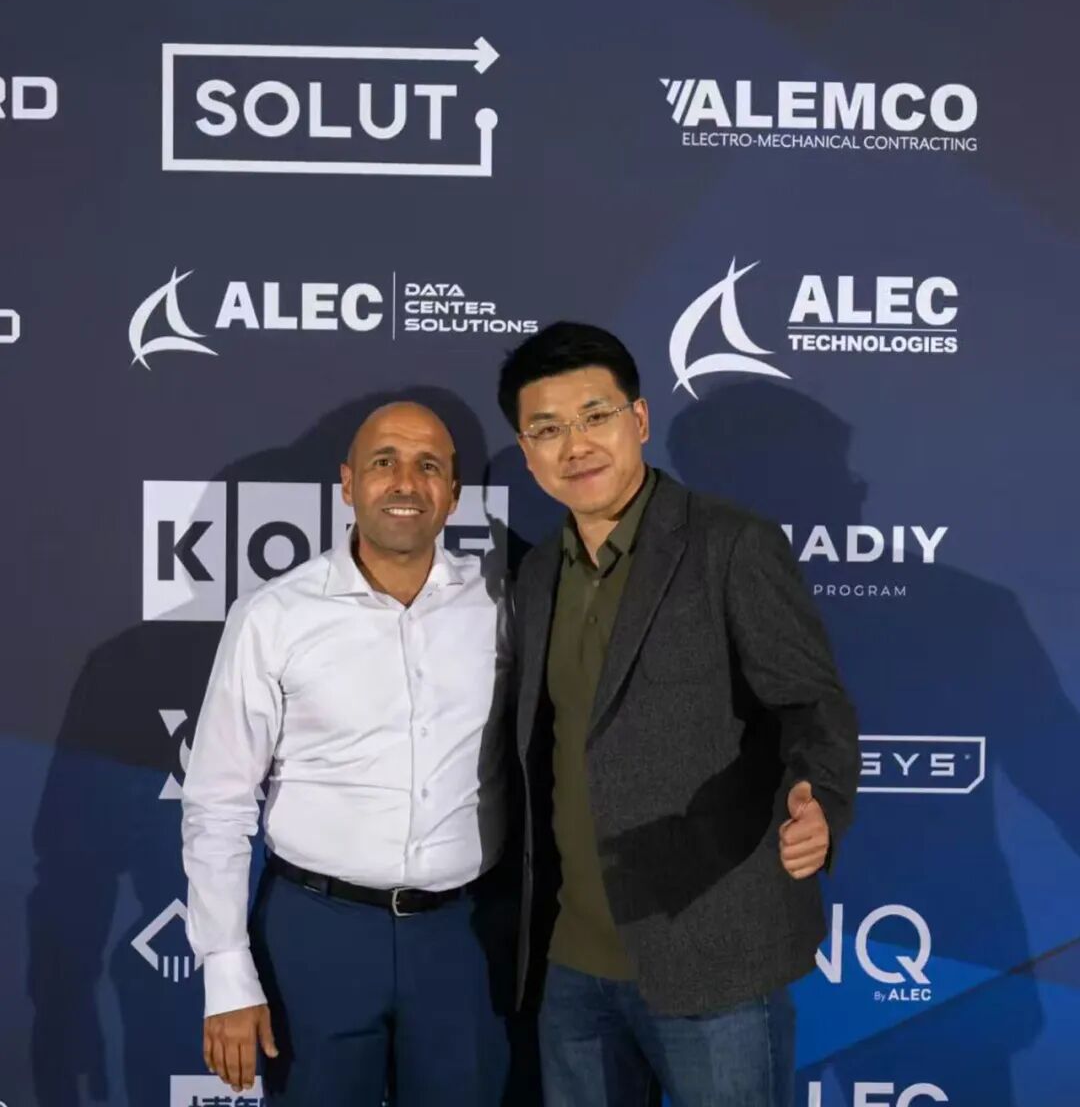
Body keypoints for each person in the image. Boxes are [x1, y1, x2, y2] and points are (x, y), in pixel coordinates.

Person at [497, 323, 860, 1107]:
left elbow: (812, 705)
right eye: (547, 430)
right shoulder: (535, 574)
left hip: (713, 950)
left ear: (638, 419)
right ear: (526, 453)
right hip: (571, 965)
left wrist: (821, 798)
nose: (576, 446)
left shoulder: (731, 545)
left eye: (595, 416)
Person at [181, 401, 513, 1105]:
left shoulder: (501, 606)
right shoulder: (274, 616)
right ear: (348, 483)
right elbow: (218, 802)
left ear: (454, 494)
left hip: (462, 941)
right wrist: (226, 969)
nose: (405, 482)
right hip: (315, 938)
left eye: (429, 465)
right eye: (383, 462)